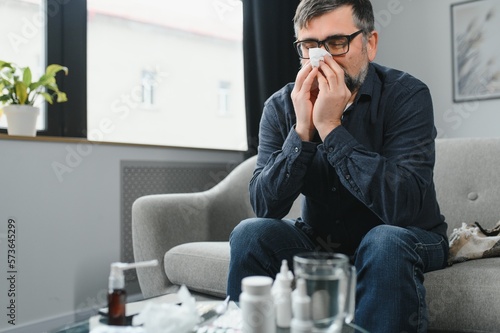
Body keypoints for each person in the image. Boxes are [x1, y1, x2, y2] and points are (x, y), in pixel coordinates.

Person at [227, 0, 448, 332]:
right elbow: (264, 206)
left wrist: (330, 127)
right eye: (310, 46)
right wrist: (302, 131)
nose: (322, 59)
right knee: (250, 233)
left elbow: (403, 208)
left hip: (410, 236)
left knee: (383, 241)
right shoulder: (281, 105)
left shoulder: (407, 95)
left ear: (369, 43)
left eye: (336, 43)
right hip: (319, 240)